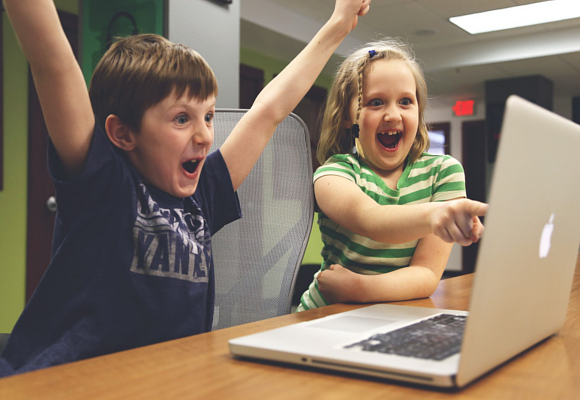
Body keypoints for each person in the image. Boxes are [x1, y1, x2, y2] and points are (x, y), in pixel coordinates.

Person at [0, 0, 372, 376]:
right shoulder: (102, 182)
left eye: (207, 116)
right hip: (62, 381)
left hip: (162, 379)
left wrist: (338, 25)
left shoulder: (202, 194)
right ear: (122, 133)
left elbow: (268, 111)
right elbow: (53, 63)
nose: (205, 135)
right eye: (182, 119)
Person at [297, 38, 487, 312]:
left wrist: (360, 289)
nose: (393, 115)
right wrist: (437, 214)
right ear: (347, 117)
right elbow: (372, 220)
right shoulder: (333, 174)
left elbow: (426, 274)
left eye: (406, 101)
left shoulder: (443, 172)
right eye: (376, 102)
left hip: (394, 316)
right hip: (325, 315)